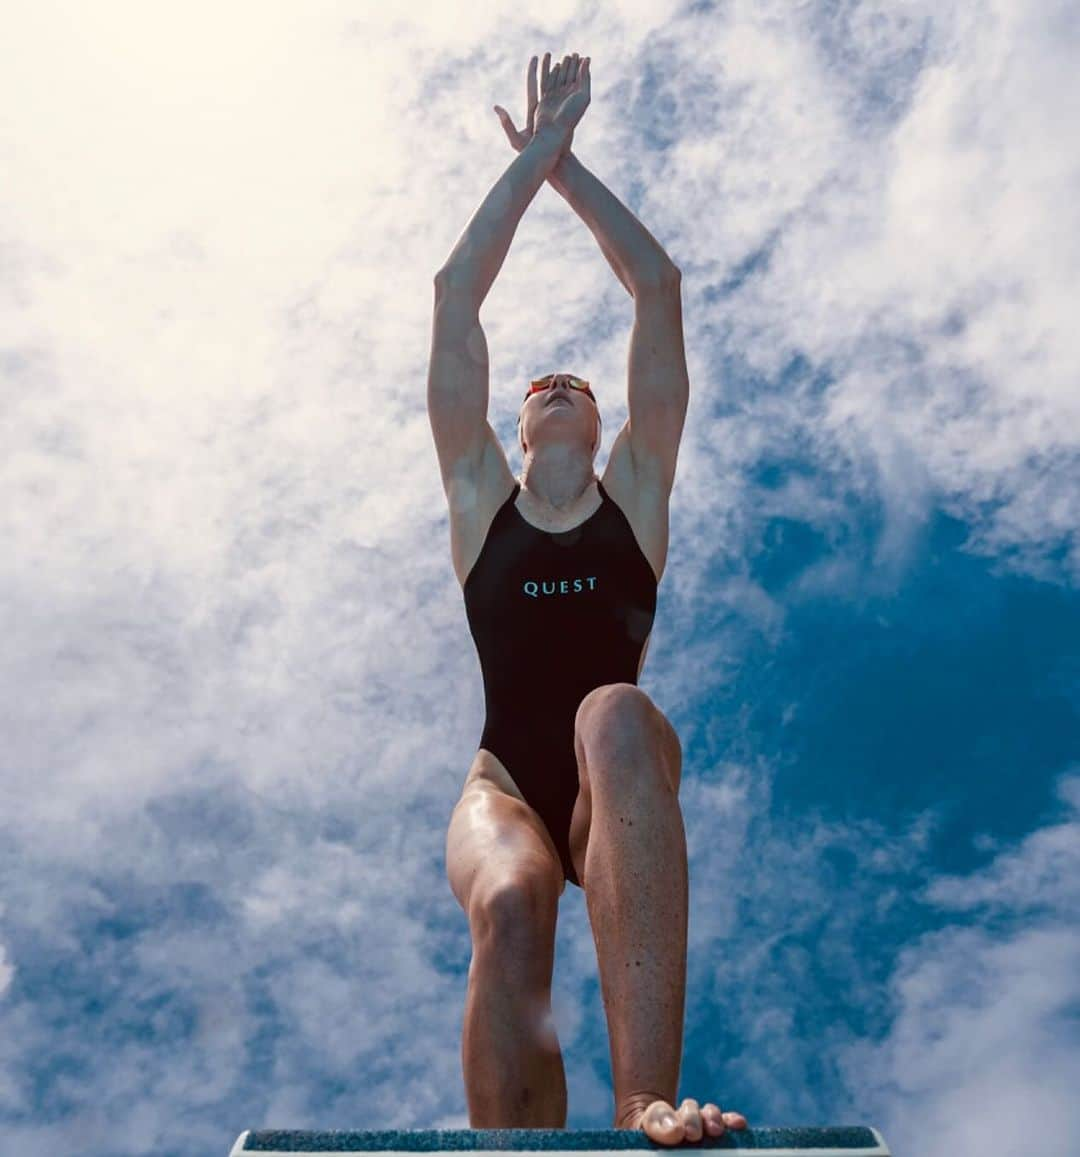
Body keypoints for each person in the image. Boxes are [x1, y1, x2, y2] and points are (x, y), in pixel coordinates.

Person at [427, 52, 749, 1144]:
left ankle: (641, 1100)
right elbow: (454, 297)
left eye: (578, 380)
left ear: (603, 419)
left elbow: (656, 289)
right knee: (514, 901)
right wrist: (529, 162)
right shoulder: (480, 498)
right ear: (517, 428)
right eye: (537, 384)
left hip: (604, 788)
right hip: (508, 783)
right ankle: (514, 1142)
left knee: (613, 706)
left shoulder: (637, 498)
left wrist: (569, 166)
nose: (557, 381)